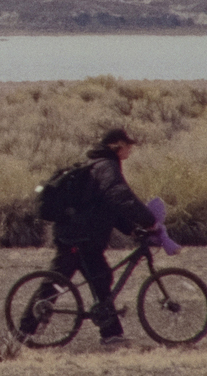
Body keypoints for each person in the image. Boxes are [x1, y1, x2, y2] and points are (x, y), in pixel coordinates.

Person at [20, 128, 156, 347]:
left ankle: (110, 334)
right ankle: (110, 335)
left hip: (77, 234)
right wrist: (148, 219)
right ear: (116, 146)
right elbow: (119, 195)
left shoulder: (100, 165)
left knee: (94, 279)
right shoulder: (107, 166)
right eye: (128, 145)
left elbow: (106, 207)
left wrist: (132, 229)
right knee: (68, 281)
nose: (130, 149)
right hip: (81, 238)